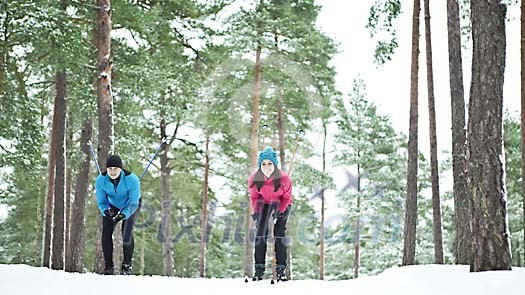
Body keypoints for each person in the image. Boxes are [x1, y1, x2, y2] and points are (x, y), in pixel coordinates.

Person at [248, 147, 293, 281]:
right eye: (263, 164)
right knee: (261, 233)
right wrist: (256, 212)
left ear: (275, 164)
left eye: (270, 163)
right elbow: (254, 197)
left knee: (279, 233)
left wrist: (280, 211)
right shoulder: (255, 179)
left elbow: (287, 198)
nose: (266, 167)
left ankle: (281, 270)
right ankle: (259, 270)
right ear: (260, 165)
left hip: (281, 202)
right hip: (264, 202)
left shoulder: (284, 178)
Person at [95, 155, 141, 275]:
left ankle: (126, 266)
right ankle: (109, 267)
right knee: (106, 232)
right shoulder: (101, 180)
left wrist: (124, 214)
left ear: (121, 169)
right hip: (112, 206)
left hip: (131, 205)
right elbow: (101, 201)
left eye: (116, 168)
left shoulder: (132, 179)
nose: (113, 171)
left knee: (126, 231)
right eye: (110, 169)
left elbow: (133, 202)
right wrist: (105, 210)